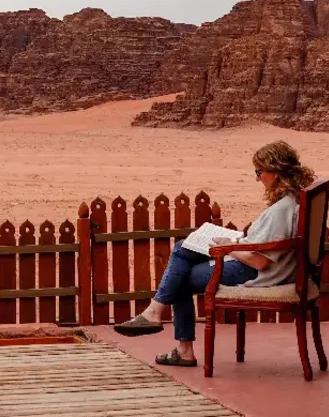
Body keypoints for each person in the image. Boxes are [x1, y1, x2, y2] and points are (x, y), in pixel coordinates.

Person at [113, 140, 316, 367]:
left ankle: (175, 338)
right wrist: (239, 240)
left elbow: (260, 261)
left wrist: (228, 245)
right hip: (276, 266)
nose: (258, 178)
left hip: (257, 273)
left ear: (276, 172)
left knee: (179, 276)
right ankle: (159, 317)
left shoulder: (281, 210)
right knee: (182, 250)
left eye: (259, 172)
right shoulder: (296, 200)